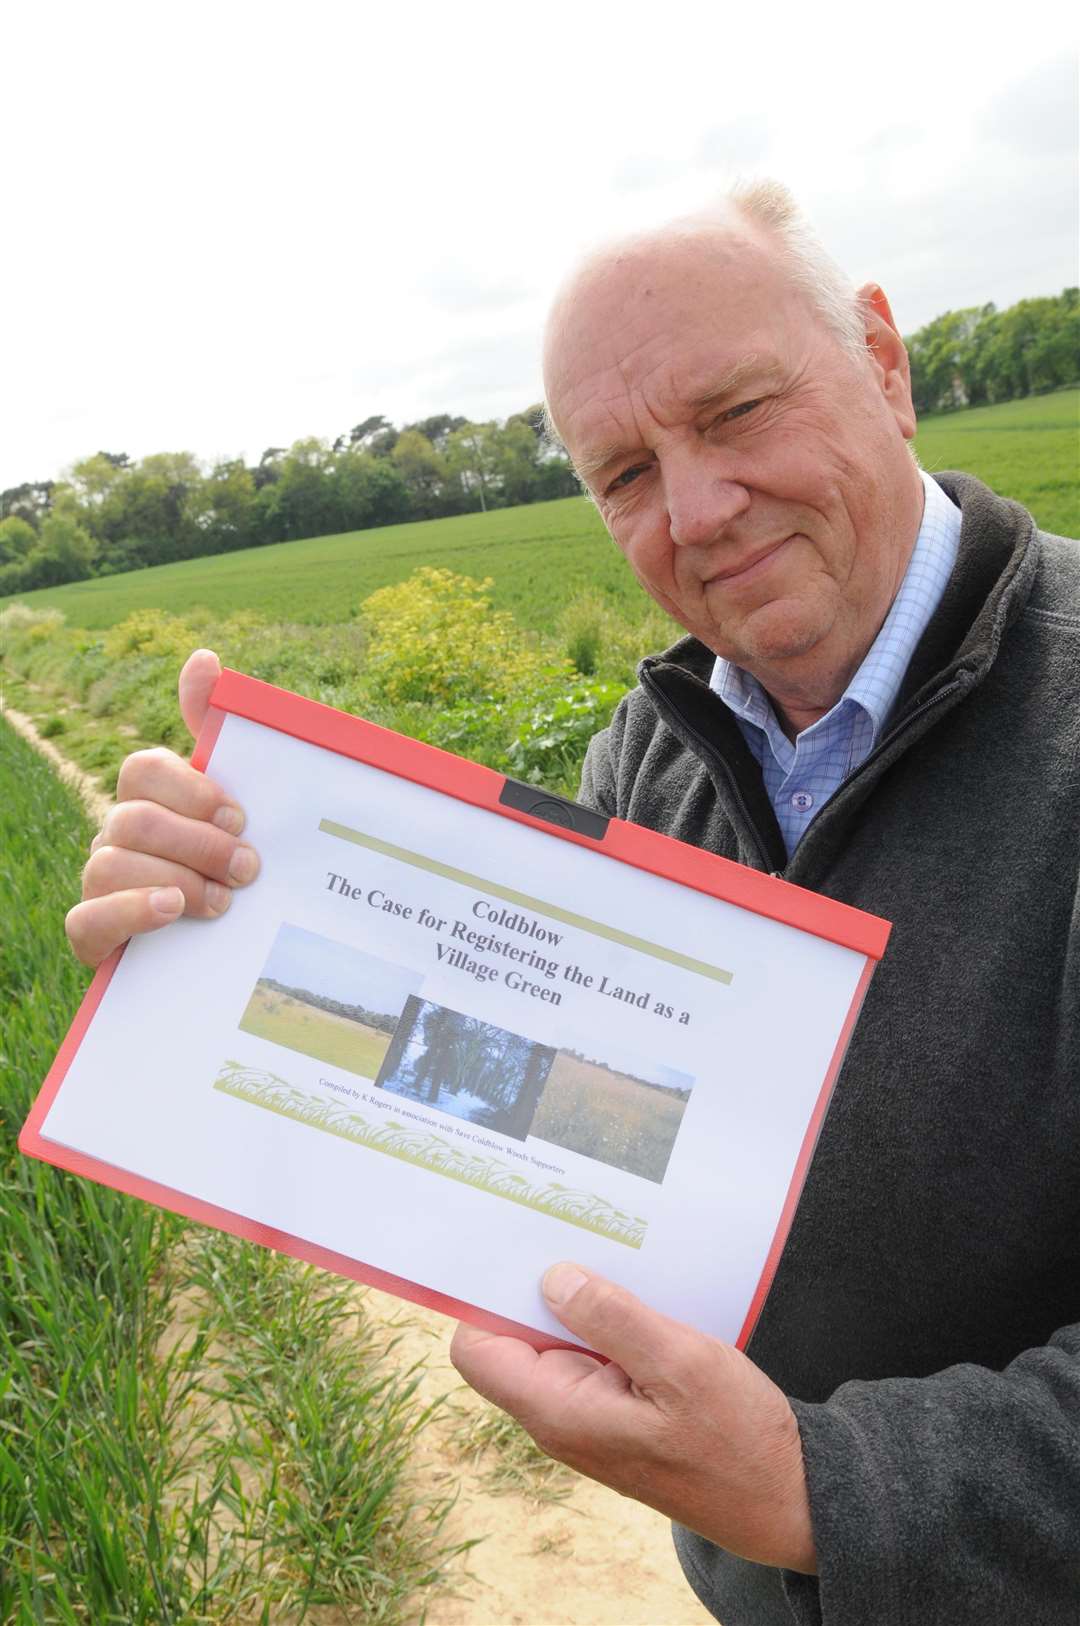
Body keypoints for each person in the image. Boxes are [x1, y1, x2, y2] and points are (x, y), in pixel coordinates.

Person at [68, 182, 1079, 1623]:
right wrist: (216, 937)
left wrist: (819, 1488)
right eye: (623, 473)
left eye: (734, 411)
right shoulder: (647, 755)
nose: (699, 510)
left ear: (884, 360)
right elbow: (487, 1089)